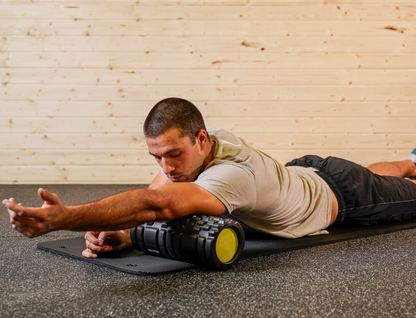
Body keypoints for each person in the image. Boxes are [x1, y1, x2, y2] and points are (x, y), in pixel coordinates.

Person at [3, 98, 416, 260]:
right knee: (381, 171)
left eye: (173, 155)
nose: (166, 167)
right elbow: (158, 191)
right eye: (157, 156)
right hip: (306, 170)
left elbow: (158, 205)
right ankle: (412, 159)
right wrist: (125, 233)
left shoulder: (233, 175)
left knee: (400, 192)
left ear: (201, 139)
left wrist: (66, 217)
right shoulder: (208, 142)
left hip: (345, 198)